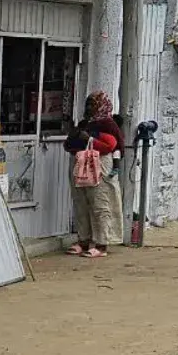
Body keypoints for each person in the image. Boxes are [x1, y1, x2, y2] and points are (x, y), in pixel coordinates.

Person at [65, 91, 124, 258]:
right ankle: (83, 240)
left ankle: (101, 243)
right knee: (81, 203)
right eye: (88, 104)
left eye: (93, 104)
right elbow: (69, 144)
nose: (89, 108)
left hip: (100, 166)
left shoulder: (108, 124)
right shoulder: (85, 123)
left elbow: (113, 146)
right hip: (81, 164)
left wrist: (89, 139)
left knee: (101, 203)